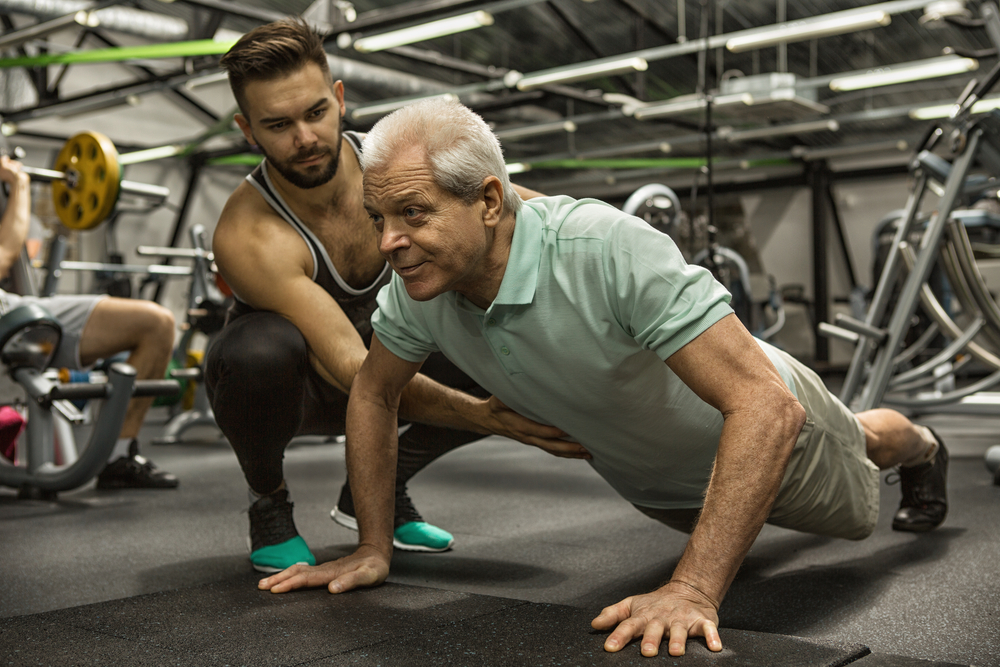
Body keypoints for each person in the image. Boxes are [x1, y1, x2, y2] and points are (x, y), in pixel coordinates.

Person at [257, 98, 950, 658]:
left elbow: (766, 407)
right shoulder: (419, 291)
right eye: (380, 218)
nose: (387, 243)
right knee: (734, 514)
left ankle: (923, 445)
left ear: (490, 202)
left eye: (413, 213)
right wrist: (374, 546)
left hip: (775, 430)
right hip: (661, 481)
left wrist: (694, 588)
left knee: (863, 458)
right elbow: (374, 392)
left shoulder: (604, 247)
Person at [205, 19, 582, 575]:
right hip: (305, 384)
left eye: (314, 113)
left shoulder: (401, 165)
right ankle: (270, 504)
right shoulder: (247, 232)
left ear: (338, 98)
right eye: (278, 125)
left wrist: (622, 247)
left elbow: (529, 214)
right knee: (256, 354)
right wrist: (484, 417)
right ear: (247, 129)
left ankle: (375, 489)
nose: (304, 138)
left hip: (388, 360)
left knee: (505, 326)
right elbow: (354, 370)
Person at [0, 154, 178, 488]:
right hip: (9, 322)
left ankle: (119, 457)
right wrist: (19, 183)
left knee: (156, 323)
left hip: (11, 309)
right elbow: (5, 253)